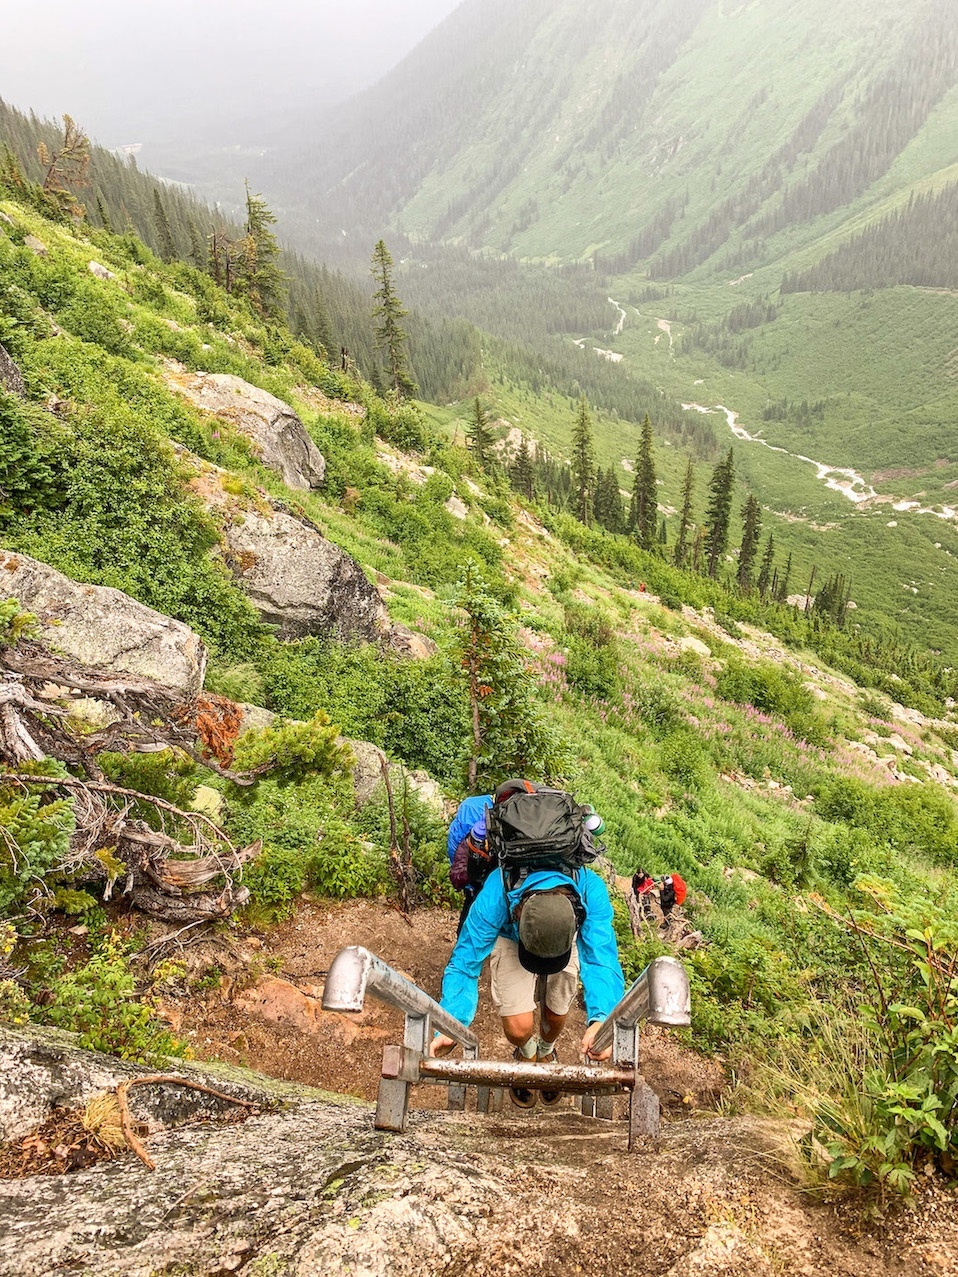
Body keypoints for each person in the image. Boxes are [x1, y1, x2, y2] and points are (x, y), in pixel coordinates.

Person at [429, 858, 625, 1108]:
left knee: (555, 1015)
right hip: (511, 939)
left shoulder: (588, 888)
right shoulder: (498, 892)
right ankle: (526, 1052)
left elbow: (602, 960)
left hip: (564, 938)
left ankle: (546, 1050)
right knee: (518, 1027)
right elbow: (465, 959)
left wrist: (602, 1020)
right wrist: (452, 1021)